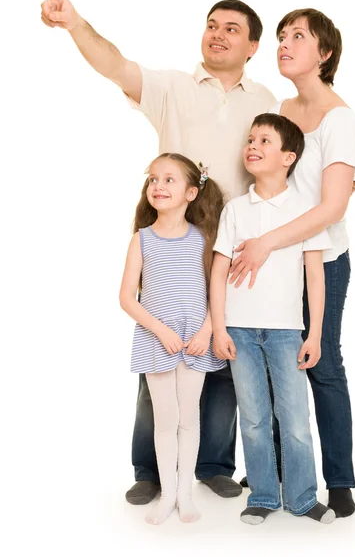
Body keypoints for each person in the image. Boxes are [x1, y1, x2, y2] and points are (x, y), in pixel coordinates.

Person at [35, 0, 276, 503]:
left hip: (232, 246)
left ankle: (213, 463)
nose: (217, 35)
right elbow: (115, 64)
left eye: (231, 29)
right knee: (160, 348)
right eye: (212, 25)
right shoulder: (172, 86)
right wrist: (75, 23)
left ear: (252, 46)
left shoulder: (265, 100)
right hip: (173, 238)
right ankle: (149, 468)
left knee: (220, 350)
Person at [228, 9, 355, 517]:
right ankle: (272, 471)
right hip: (268, 264)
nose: (285, 44)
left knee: (323, 364)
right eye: (281, 37)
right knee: (270, 366)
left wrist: (267, 241)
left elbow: (333, 207)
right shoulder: (281, 109)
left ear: (325, 53)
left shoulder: (341, 117)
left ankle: (338, 480)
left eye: (298, 37)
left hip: (322, 260)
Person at [211, 113, 335, 525]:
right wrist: (218, 327)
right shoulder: (235, 209)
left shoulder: (305, 211)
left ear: (288, 156)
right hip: (239, 331)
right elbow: (218, 269)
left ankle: (302, 497)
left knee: (296, 418)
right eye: (250, 139)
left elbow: (315, 275)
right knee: (253, 418)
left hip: (286, 332)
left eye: (264, 140)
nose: (253, 145)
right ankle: (262, 494)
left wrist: (314, 333)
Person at [119, 152, 226, 524]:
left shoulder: (204, 239)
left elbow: (219, 292)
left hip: (195, 341)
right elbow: (126, 298)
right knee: (164, 419)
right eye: (153, 179)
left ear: (192, 193)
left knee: (188, 418)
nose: (158, 186)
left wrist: (207, 331)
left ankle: (185, 494)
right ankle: (167, 494)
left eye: (169, 180)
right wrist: (162, 330)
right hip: (157, 340)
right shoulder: (142, 239)